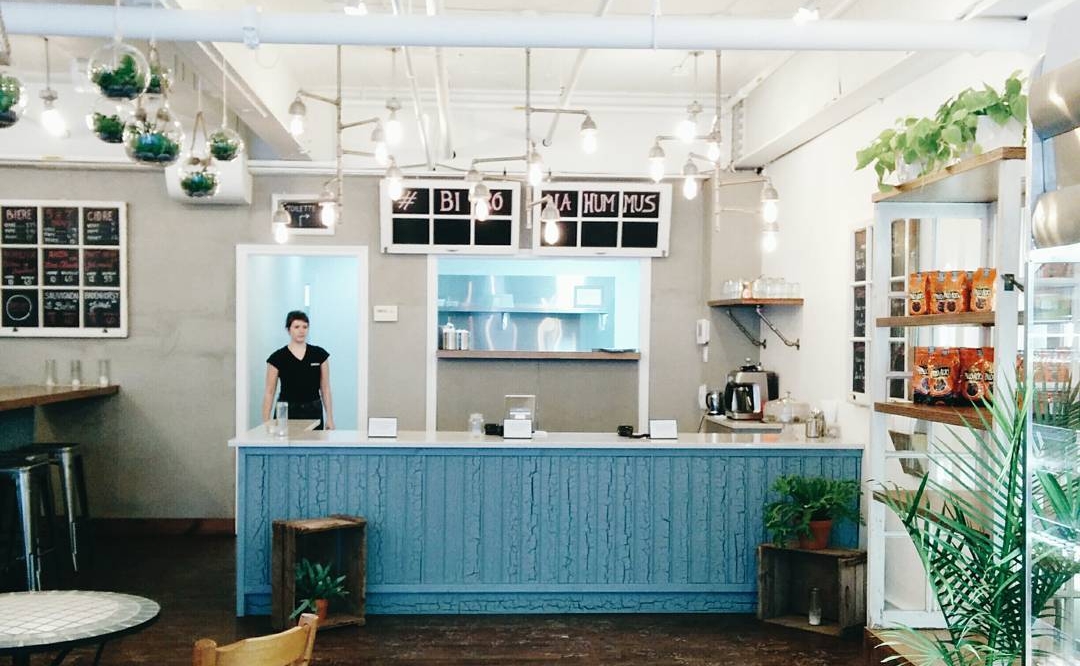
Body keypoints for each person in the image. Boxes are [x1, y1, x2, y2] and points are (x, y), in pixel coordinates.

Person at [262, 310, 335, 430]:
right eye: (296, 327)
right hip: (286, 410)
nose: (301, 331)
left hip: (313, 410)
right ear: (288, 329)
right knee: (285, 442)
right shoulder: (277, 357)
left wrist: (330, 418)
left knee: (313, 442)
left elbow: (325, 389)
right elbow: (269, 392)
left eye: (305, 327)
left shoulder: (319, 355)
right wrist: (266, 422)